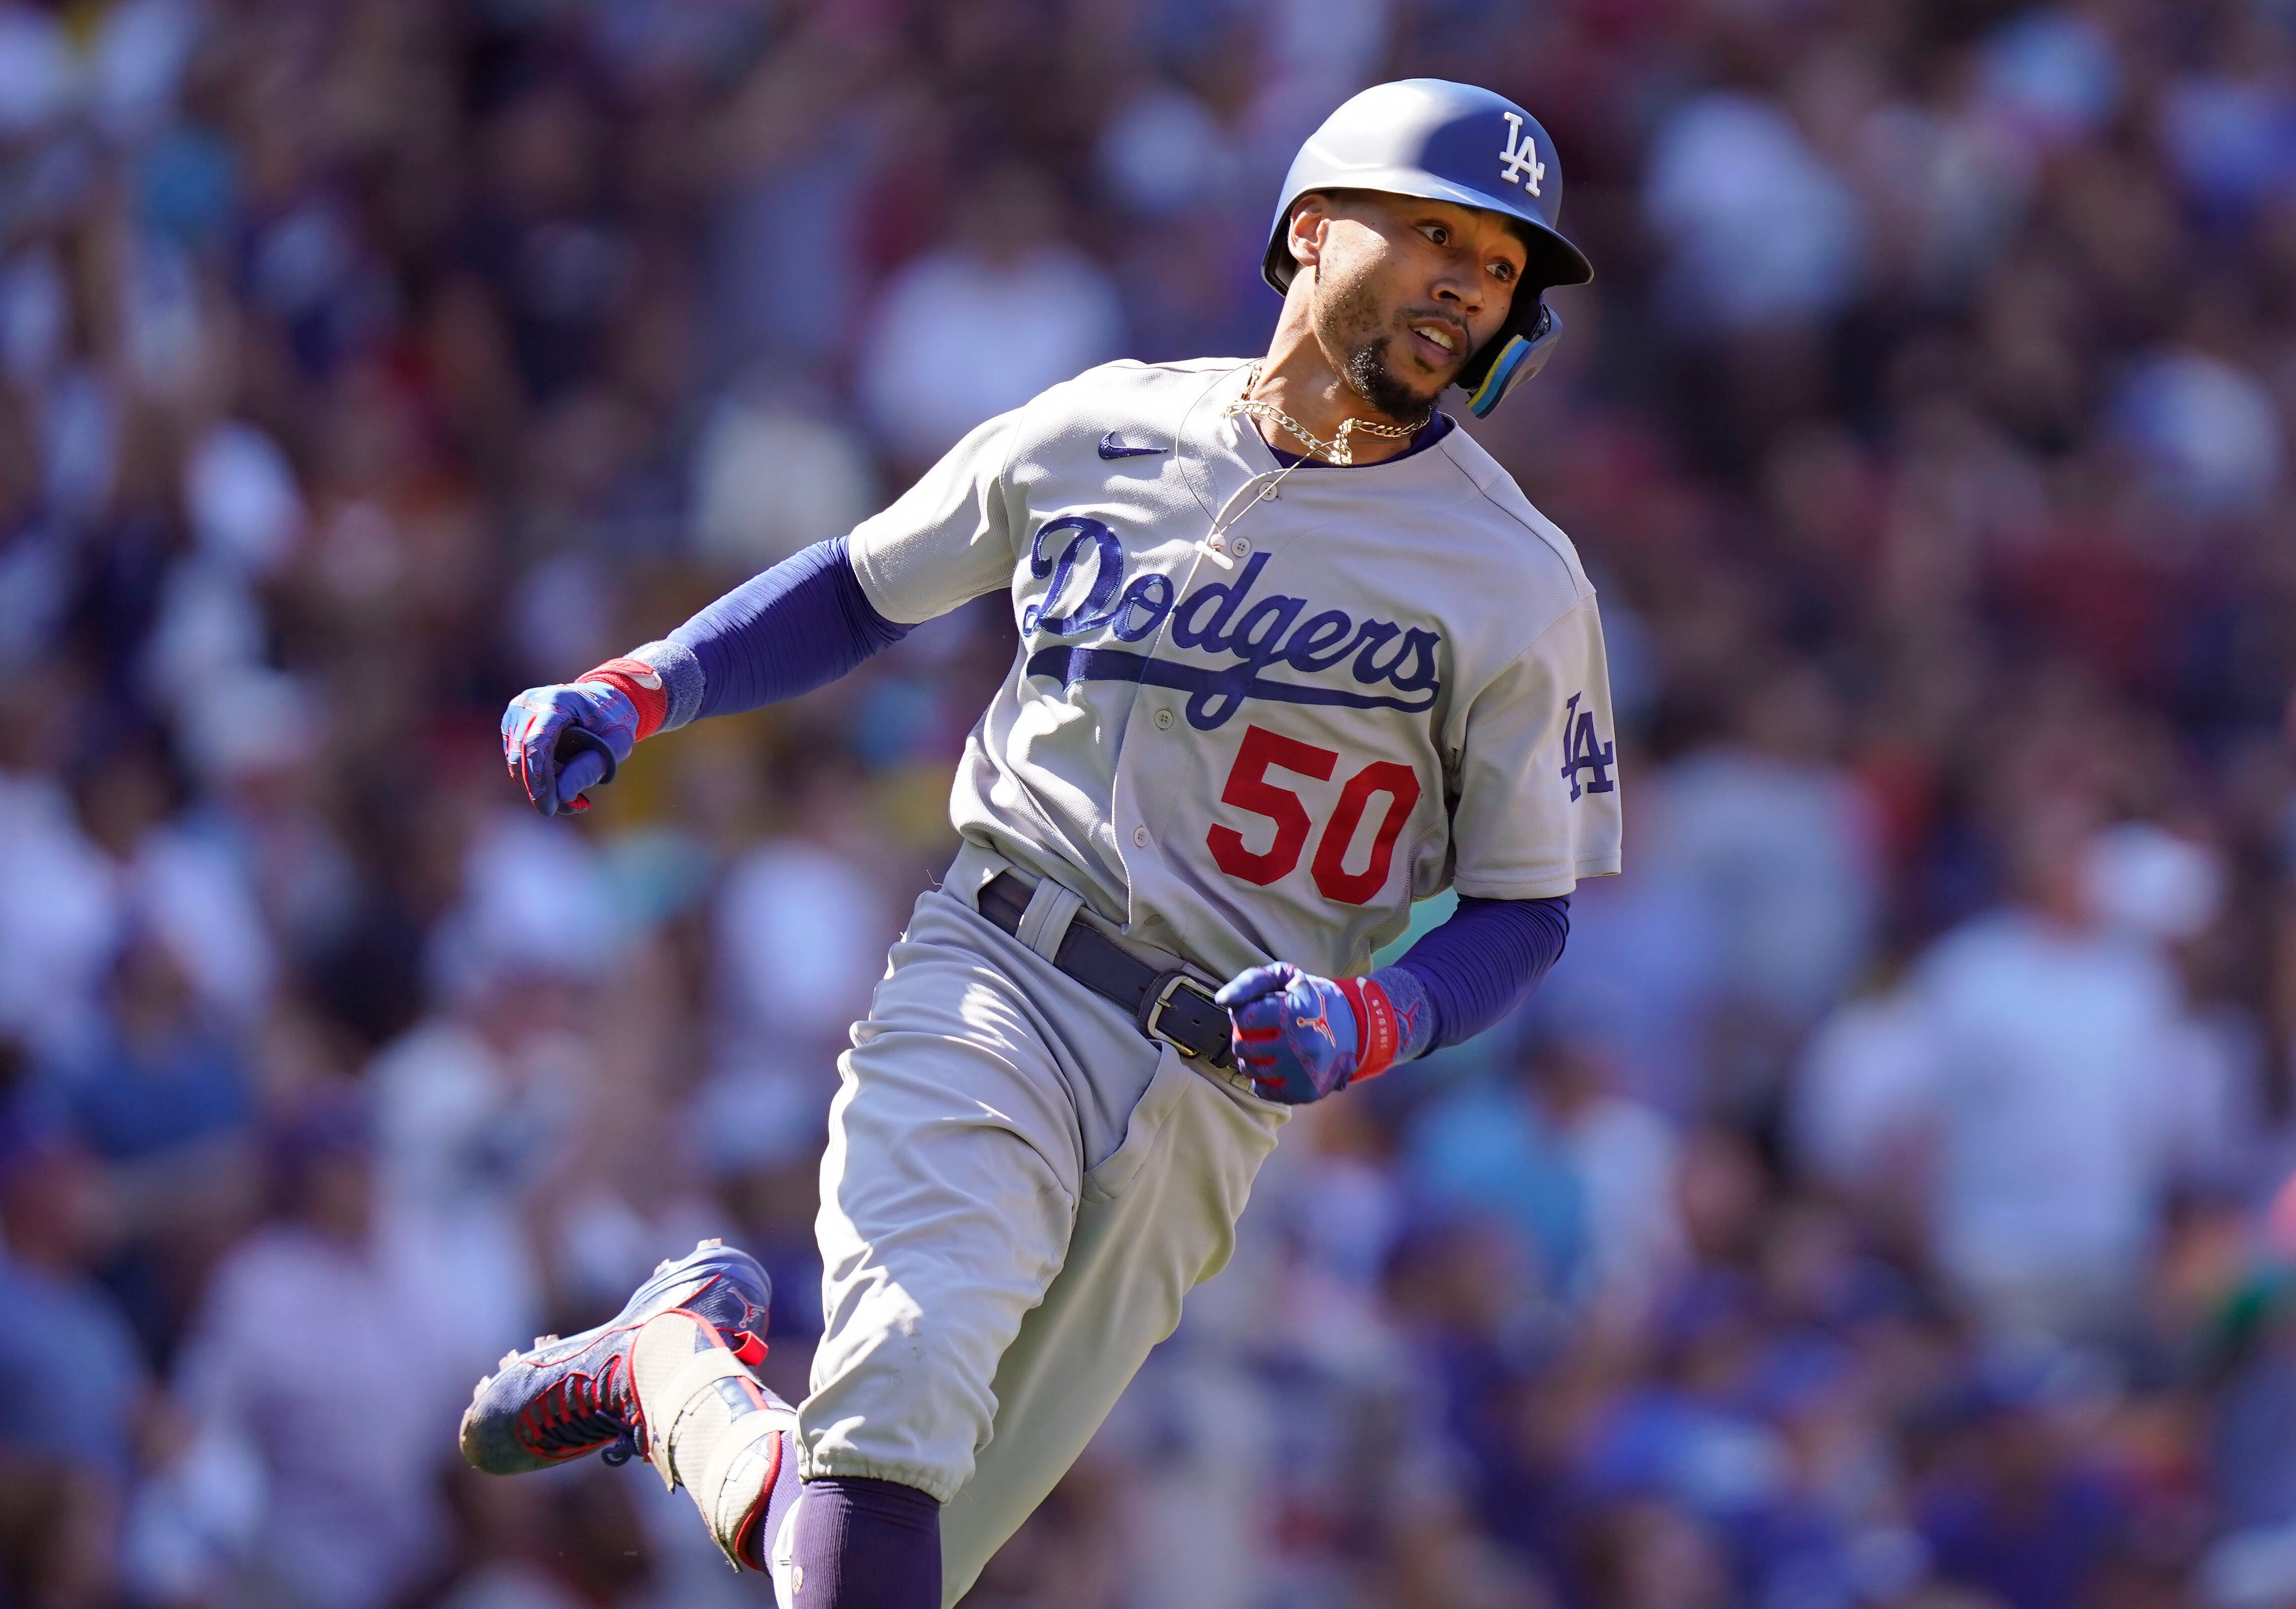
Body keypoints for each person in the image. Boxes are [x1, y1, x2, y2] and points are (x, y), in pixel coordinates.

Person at [458, 80, 1622, 1608]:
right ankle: (684, 1372)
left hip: (1220, 1091)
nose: (1470, 282)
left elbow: (1527, 910)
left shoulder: (1521, 580)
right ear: (1314, 228)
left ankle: (669, 1373)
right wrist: (646, 682)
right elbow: (865, 585)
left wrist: (1370, 1016)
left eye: (1499, 266)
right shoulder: (1107, 424)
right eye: (1436, 234)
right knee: (893, 1430)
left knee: (877, 1562)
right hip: (1004, 972)